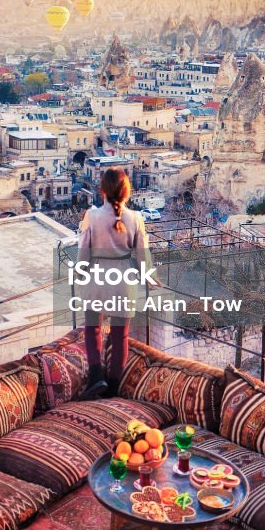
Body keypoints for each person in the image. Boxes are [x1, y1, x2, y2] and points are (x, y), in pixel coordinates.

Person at [76, 168, 153, 399]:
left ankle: (96, 376)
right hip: (124, 280)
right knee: (121, 336)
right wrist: (149, 275)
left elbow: (84, 252)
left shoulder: (92, 216)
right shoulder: (136, 218)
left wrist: (80, 275)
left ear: (102, 191)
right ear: (127, 192)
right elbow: (142, 257)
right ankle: (114, 387)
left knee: (93, 329)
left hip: (97, 276)